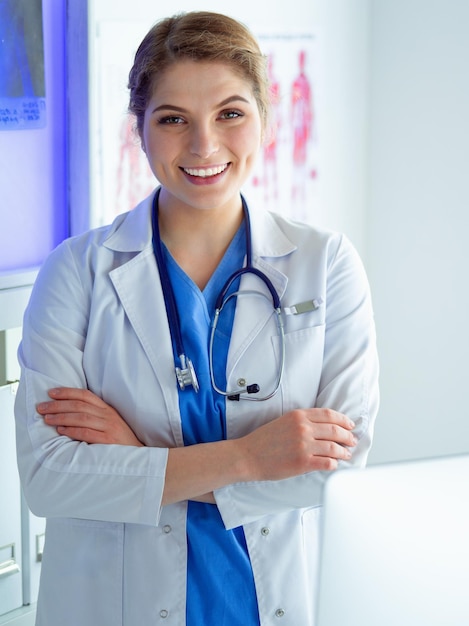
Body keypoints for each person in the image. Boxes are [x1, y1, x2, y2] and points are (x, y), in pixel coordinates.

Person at [14, 11, 379, 626]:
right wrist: (250, 458)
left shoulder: (327, 264)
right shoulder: (76, 273)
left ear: (263, 119)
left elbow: (338, 473)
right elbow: (50, 480)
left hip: (270, 602)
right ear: (141, 130)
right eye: (172, 119)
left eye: (230, 113)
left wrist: (138, 458)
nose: (204, 145)